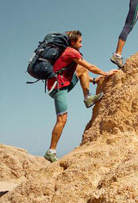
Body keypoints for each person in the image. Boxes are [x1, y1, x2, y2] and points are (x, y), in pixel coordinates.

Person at [44, 30, 118, 163]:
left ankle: (87, 97)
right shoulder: (71, 52)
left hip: (58, 84)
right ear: (73, 42)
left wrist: (94, 80)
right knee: (62, 120)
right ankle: (51, 151)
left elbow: (79, 71)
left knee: (81, 69)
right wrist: (106, 73)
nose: (82, 45)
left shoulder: (65, 51)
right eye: (80, 42)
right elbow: (90, 66)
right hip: (58, 88)